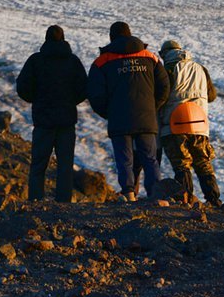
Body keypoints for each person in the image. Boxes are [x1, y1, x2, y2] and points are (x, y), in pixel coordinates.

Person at [86, 21, 169, 201]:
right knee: (150, 157)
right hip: (146, 117)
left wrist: (109, 112)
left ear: (111, 37)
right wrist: (152, 107)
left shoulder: (102, 61)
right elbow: (164, 86)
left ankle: (129, 194)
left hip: (119, 118)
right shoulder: (150, 57)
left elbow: (94, 93)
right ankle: (156, 195)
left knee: (125, 159)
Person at [15, 24, 88, 202]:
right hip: (66, 121)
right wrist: (71, 101)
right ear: (63, 39)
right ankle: (63, 203)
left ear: (46, 39)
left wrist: (36, 100)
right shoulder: (73, 61)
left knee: (39, 165)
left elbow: (22, 87)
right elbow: (84, 88)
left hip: (43, 120)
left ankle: (35, 201)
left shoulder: (35, 61)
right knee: (65, 166)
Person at [157, 40, 222, 206]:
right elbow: (212, 96)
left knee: (181, 164)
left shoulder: (167, 70)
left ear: (164, 54)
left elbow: (161, 96)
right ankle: (214, 199)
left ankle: (186, 200)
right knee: (203, 162)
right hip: (199, 123)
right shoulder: (200, 68)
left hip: (174, 124)